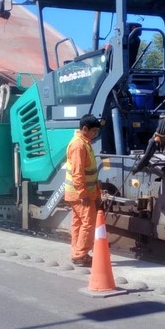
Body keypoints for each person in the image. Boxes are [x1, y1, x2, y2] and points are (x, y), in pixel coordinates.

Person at [64, 114, 102, 266]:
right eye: (94, 131)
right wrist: (83, 193)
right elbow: (77, 172)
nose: (96, 134)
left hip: (79, 192)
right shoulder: (79, 145)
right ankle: (80, 255)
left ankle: (77, 253)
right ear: (85, 129)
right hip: (80, 194)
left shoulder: (83, 142)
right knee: (88, 223)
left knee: (79, 223)